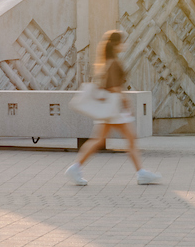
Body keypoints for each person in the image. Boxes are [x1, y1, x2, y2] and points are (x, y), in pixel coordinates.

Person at [66, 30, 162, 186]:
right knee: (129, 138)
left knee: (99, 140)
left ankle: (75, 167)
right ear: (117, 45)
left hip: (109, 108)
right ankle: (141, 173)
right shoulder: (114, 63)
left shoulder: (105, 61)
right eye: (123, 42)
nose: (125, 45)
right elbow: (115, 87)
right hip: (115, 108)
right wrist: (126, 102)